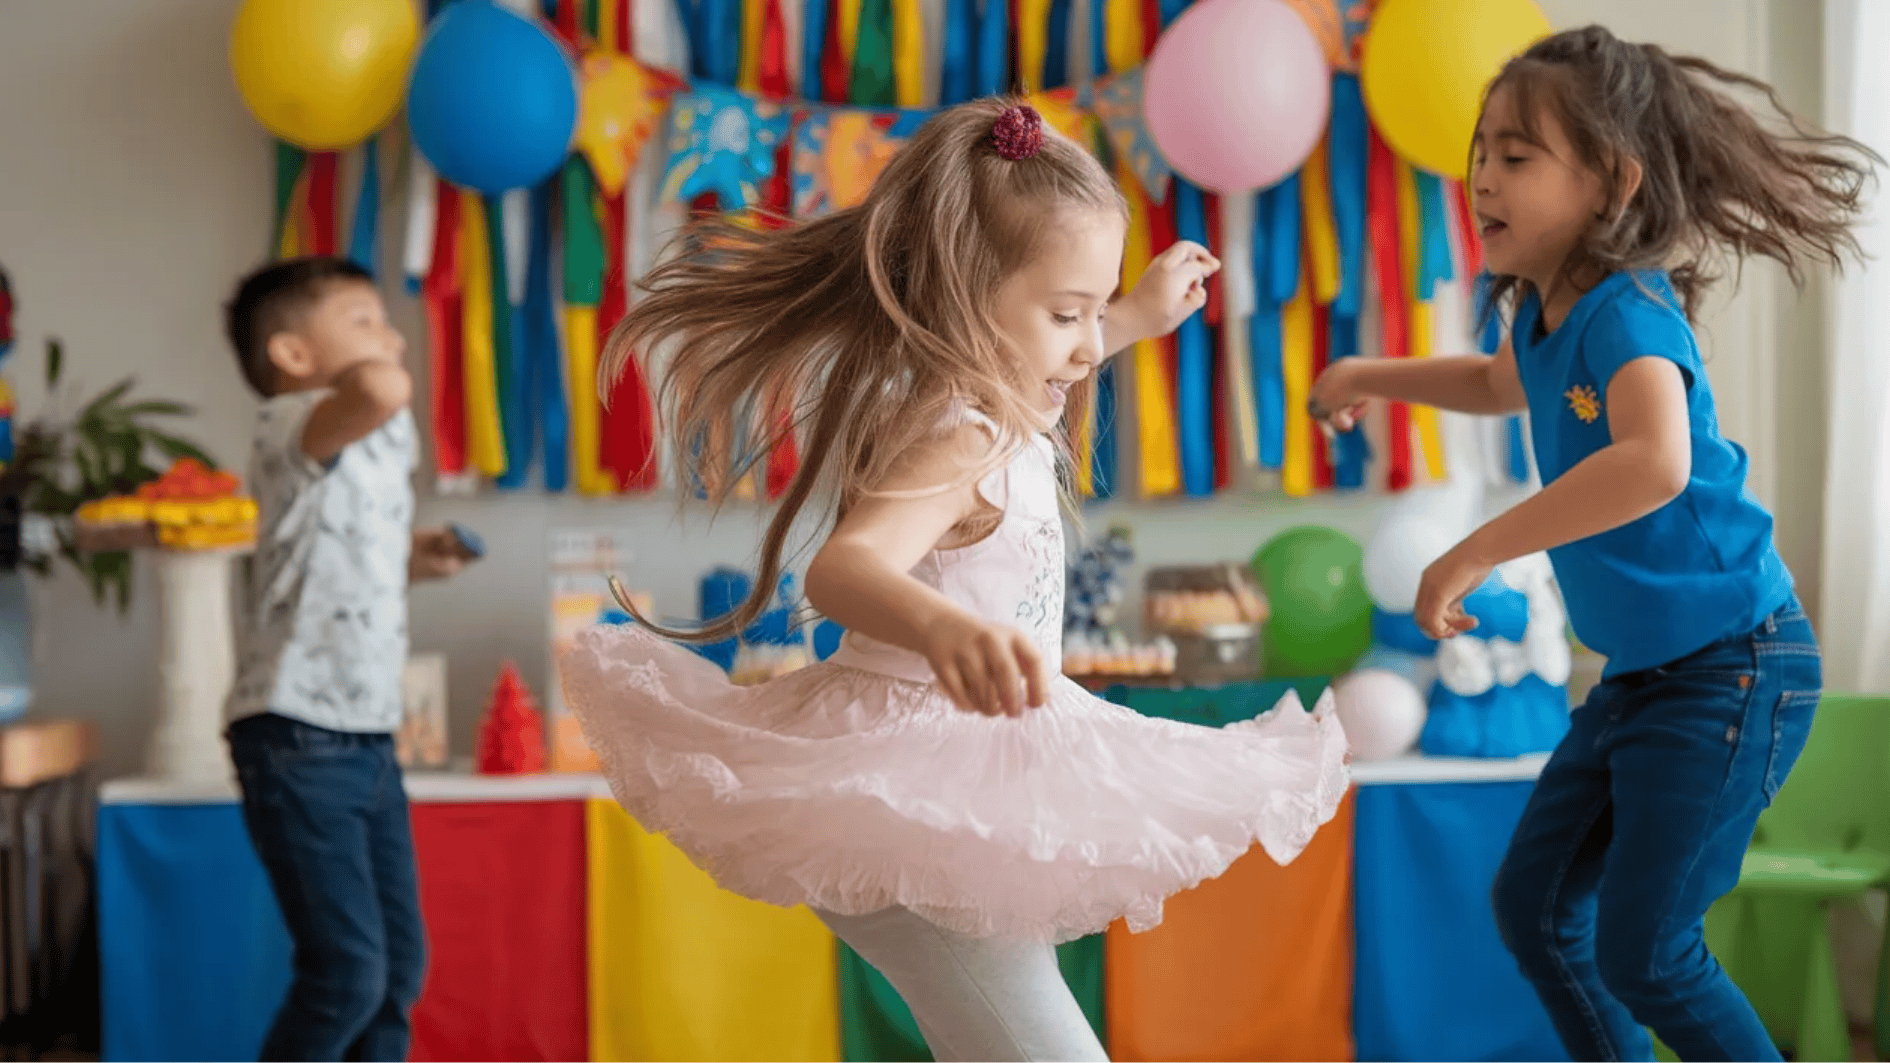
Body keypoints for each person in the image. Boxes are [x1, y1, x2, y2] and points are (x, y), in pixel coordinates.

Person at [561, 99, 1349, 1063]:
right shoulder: (960, 434)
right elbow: (846, 566)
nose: (1091, 345)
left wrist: (1133, 315)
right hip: (918, 805)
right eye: (1069, 314)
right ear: (969, 297)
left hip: (945, 794)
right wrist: (944, 630)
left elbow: (1042, 370)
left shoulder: (1001, 402)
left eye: (1096, 310)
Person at [1309, 26, 1876, 1062]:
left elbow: (1653, 460)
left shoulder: (1629, 312)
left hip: (1734, 667)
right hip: (1648, 677)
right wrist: (1365, 372)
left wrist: (1474, 546)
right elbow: (1492, 385)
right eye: (1481, 152)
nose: (1483, 175)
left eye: (1516, 156)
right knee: (1536, 907)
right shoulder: (1540, 314)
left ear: (1611, 183)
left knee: (1650, 952)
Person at [222, 256, 471, 1062]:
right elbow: (381, 390)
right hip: (297, 735)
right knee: (347, 972)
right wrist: (379, 370)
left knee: (398, 969)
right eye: (364, 321)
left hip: (365, 736)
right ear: (293, 356)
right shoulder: (290, 419)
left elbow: (335, 553)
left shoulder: (359, 438)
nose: (389, 337)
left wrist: (411, 556)